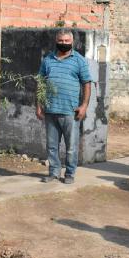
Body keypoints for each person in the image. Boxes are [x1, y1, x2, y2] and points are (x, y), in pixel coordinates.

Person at [36, 30, 92, 184]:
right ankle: (53, 172)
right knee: (52, 147)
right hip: (50, 110)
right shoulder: (48, 60)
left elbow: (86, 83)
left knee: (71, 147)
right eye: (61, 40)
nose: (64, 43)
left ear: (72, 42)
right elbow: (40, 83)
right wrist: (39, 105)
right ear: (56, 40)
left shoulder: (79, 60)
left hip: (70, 112)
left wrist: (84, 105)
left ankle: (69, 174)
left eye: (67, 41)